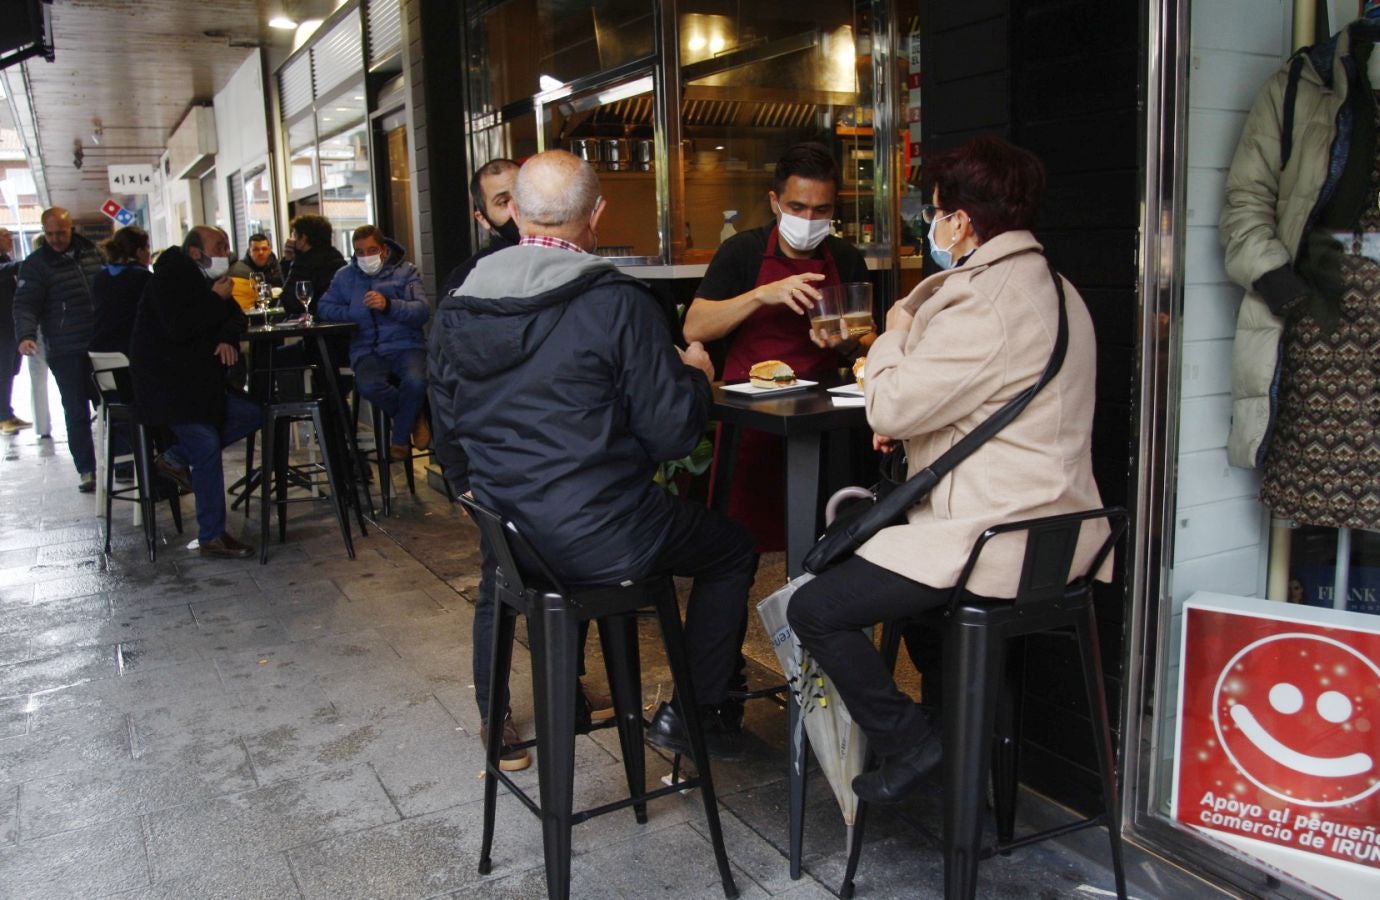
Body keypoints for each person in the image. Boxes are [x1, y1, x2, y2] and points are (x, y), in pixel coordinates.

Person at [787, 138, 1109, 805]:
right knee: (924, 620)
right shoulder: (1059, 288)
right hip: (1058, 527)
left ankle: (917, 743)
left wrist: (895, 327)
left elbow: (890, 400)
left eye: (934, 212)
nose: (931, 227)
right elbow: (993, 401)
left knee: (817, 608)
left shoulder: (981, 300)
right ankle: (955, 750)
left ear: (959, 220)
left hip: (999, 535)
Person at [431, 149, 758, 760]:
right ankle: (691, 711)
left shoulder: (459, 303)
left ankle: (518, 711)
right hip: (606, 535)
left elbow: (447, 423)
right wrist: (693, 378)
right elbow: (672, 437)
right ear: (598, 214)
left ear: (518, 213)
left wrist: (475, 496)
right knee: (732, 549)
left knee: (550, 539)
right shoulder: (616, 303)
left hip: (509, 535)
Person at [1220, 7, 1380, 529]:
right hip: (1325, 319)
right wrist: (1272, 276)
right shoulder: (1301, 84)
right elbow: (1247, 195)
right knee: (1321, 486)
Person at [683, 143, 869, 551]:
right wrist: (761, 295)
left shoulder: (844, 257)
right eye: (797, 207)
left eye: (821, 210)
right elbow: (695, 324)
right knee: (738, 543)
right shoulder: (742, 253)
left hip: (824, 417)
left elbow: (868, 340)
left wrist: (846, 343)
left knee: (829, 535)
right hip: (751, 416)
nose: (808, 219)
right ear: (774, 201)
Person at [129, 226, 261, 559]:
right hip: (168, 387)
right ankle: (212, 536)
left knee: (252, 413)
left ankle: (174, 458)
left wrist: (227, 339)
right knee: (204, 443)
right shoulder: (169, 280)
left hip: (201, 385)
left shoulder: (210, 281)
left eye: (228, 246)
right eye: (219, 246)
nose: (226, 252)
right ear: (195, 252)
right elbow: (181, 327)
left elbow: (236, 320)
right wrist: (215, 300)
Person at [317, 225, 431, 458]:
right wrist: (353, 312)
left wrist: (389, 305)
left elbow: (422, 311)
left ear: (384, 249)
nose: (366, 256)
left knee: (416, 381)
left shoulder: (406, 272)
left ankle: (399, 439)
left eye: (371, 250)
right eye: (360, 252)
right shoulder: (344, 276)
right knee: (367, 385)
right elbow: (324, 307)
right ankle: (414, 414)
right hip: (366, 349)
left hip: (406, 344)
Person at [12, 208, 104, 490]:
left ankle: (123, 464)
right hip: (65, 349)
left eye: (60, 233)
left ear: (71, 228)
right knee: (75, 409)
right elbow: (25, 304)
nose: (55, 239)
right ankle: (87, 470)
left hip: (100, 344)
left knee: (113, 405)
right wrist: (26, 335)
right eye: (49, 234)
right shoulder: (36, 265)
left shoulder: (93, 253)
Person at [440, 158, 520, 295]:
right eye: (504, 202)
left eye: (522, 194)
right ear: (483, 219)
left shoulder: (565, 250)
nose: (518, 206)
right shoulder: (465, 280)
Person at [90, 225, 152, 354]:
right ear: (139, 252)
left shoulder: (100, 278)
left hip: (100, 351)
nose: (149, 253)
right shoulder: (142, 278)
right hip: (131, 351)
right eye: (147, 247)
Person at [280, 214, 345, 315]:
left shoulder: (304, 263)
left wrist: (292, 260)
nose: (292, 240)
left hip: (314, 322)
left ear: (303, 239)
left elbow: (289, 301)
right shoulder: (337, 258)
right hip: (337, 318)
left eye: (294, 235)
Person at [0, 227, 30, 436]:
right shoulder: (7, 265)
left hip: (11, 326)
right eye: (4, 237)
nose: (9, 239)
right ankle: (2, 417)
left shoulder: (6, 260)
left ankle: (7, 412)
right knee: (2, 373)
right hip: (1, 328)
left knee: (10, 372)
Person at [228, 233, 283, 312]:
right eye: (256, 249)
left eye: (264, 249)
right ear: (249, 251)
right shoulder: (240, 271)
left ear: (270, 250)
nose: (260, 253)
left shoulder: (276, 267)